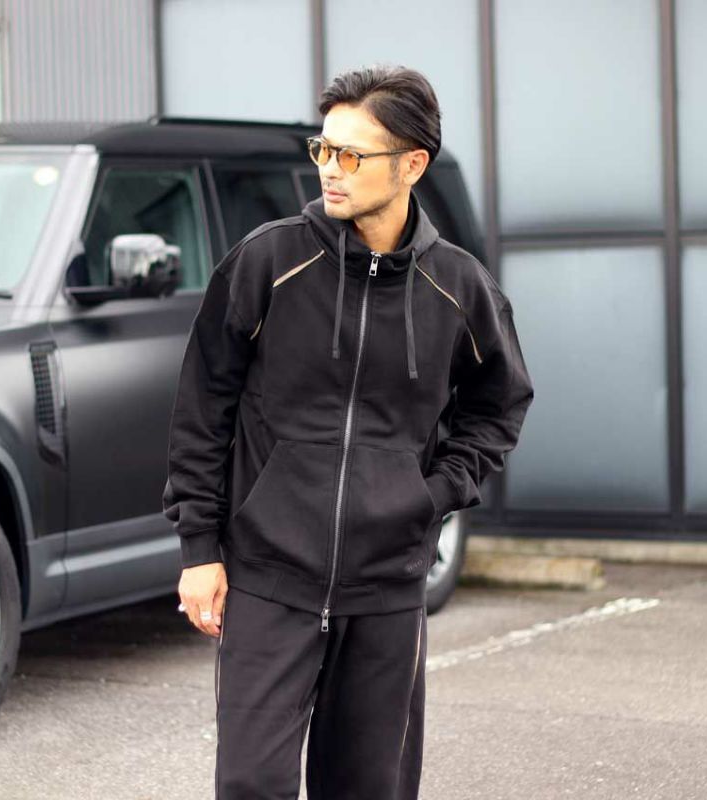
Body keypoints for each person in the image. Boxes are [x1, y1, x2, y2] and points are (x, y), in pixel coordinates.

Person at [162, 64, 534, 800]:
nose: (329, 169)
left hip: (386, 588)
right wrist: (199, 548)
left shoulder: (459, 288)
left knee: (369, 787)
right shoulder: (268, 262)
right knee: (250, 783)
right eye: (323, 149)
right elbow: (202, 406)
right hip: (267, 575)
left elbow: (500, 404)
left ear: (412, 165)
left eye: (352, 155)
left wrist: (430, 495)